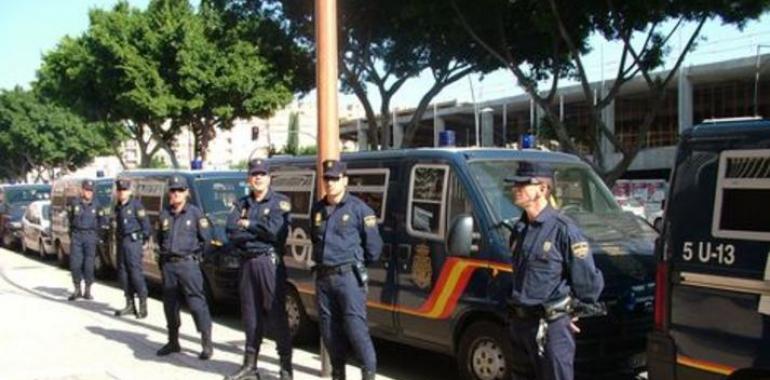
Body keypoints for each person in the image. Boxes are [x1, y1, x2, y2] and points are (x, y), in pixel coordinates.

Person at [505, 162, 604, 380]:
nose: (516, 188)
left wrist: (574, 312)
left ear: (543, 189)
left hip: (551, 329)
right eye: (516, 184)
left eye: (524, 184)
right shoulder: (520, 230)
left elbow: (588, 283)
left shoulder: (564, 229)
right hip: (520, 326)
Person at [311, 160, 382, 380]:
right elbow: (315, 239)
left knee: (356, 330)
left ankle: (368, 375)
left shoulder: (359, 210)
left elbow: (374, 249)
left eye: (335, 178)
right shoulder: (318, 209)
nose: (330, 183)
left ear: (345, 180)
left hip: (348, 277)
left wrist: (355, 266)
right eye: (327, 178)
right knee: (330, 333)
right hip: (324, 278)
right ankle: (338, 374)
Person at [224, 159, 294, 380]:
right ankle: (250, 365)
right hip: (247, 262)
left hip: (268, 262)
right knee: (250, 315)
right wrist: (254, 233)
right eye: (254, 174)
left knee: (276, 316)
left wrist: (248, 225)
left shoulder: (279, 203)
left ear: (269, 178)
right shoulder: (242, 203)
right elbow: (230, 231)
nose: (258, 178)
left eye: (262, 174)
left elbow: (275, 233)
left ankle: (285, 367)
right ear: (249, 179)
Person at [156, 175, 214, 360]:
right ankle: (173, 342)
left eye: (180, 190)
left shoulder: (195, 213)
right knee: (170, 305)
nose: (176, 194)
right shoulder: (164, 214)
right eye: (173, 190)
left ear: (187, 193)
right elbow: (159, 238)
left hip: (188, 264)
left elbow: (207, 241)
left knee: (197, 304)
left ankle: (206, 343)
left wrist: (197, 260)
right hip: (169, 265)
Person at [112, 178, 152, 319]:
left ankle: (142, 305)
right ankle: (130, 304)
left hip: (133, 243)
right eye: (119, 190)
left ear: (129, 191)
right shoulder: (117, 207)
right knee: (123, 274)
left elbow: (146, 226)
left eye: (124, 190)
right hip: (122, 243)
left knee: (135, 274)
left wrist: (143, 240)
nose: (121, 193)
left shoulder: (136, 206)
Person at [67, 179, 105, 301]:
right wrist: (72, 234)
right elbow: (70, 219)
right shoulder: (74, 203)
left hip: (90, 236)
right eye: (87, 190)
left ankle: (87, 290)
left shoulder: (97, 205)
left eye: (91, 191)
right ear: (82, 190)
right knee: (75, 264)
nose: (89, 193)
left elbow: (102, 221)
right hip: (77, 235)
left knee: (89, 265)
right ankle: (77, 289)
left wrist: (97, 236)